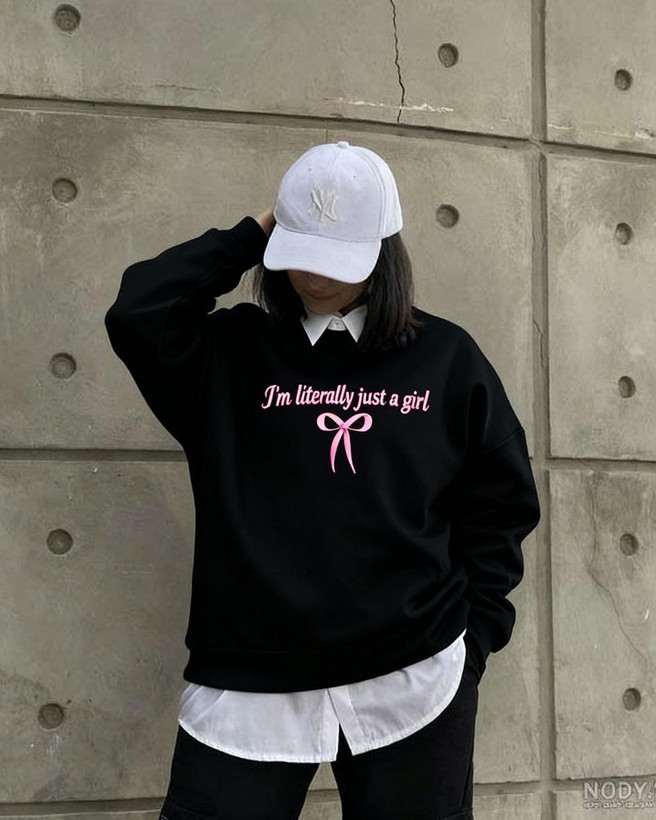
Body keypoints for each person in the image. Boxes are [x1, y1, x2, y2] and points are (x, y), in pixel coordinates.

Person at [104, 141, 541, 820]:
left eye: (337, 256)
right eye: (300, 251)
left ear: (383, 250)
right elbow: (138, 310)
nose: (313, 275)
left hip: (414, 679)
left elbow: (500, 508)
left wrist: (473, 643)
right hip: (249, 684)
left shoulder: (447, 360)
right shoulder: (228, 355)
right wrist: (254, 233)